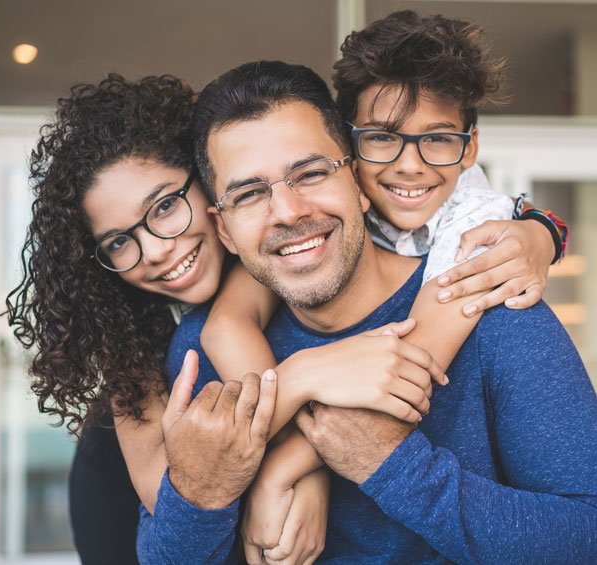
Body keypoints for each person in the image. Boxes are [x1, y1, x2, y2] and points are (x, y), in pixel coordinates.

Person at [5, 72, 557, 563]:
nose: (155, 249)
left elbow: (463, 205)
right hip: (118, 505)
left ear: (206, 186)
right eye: (120, 241)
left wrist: (541, 230)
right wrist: (303, 385)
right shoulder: (141, 356)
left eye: (165, 207)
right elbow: (177, 501)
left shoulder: (277, 263)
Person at [138, 60, 597, 563]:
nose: (288, 212)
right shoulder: (200, 352)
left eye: (311, 173)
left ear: (357, 182)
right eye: (248, 194)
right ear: (224, 229)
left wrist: (394, 464)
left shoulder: (492, 305)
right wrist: (203, 490)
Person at [197, 12, 568, 558]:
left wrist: (284, 469)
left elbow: (405, 366)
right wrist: (300, 378)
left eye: (438, 139)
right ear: (350, 143)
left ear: (469, 149)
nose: (409, 166)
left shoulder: (472, 226)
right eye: (382, 138)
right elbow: (227, 323)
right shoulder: (317, 210)